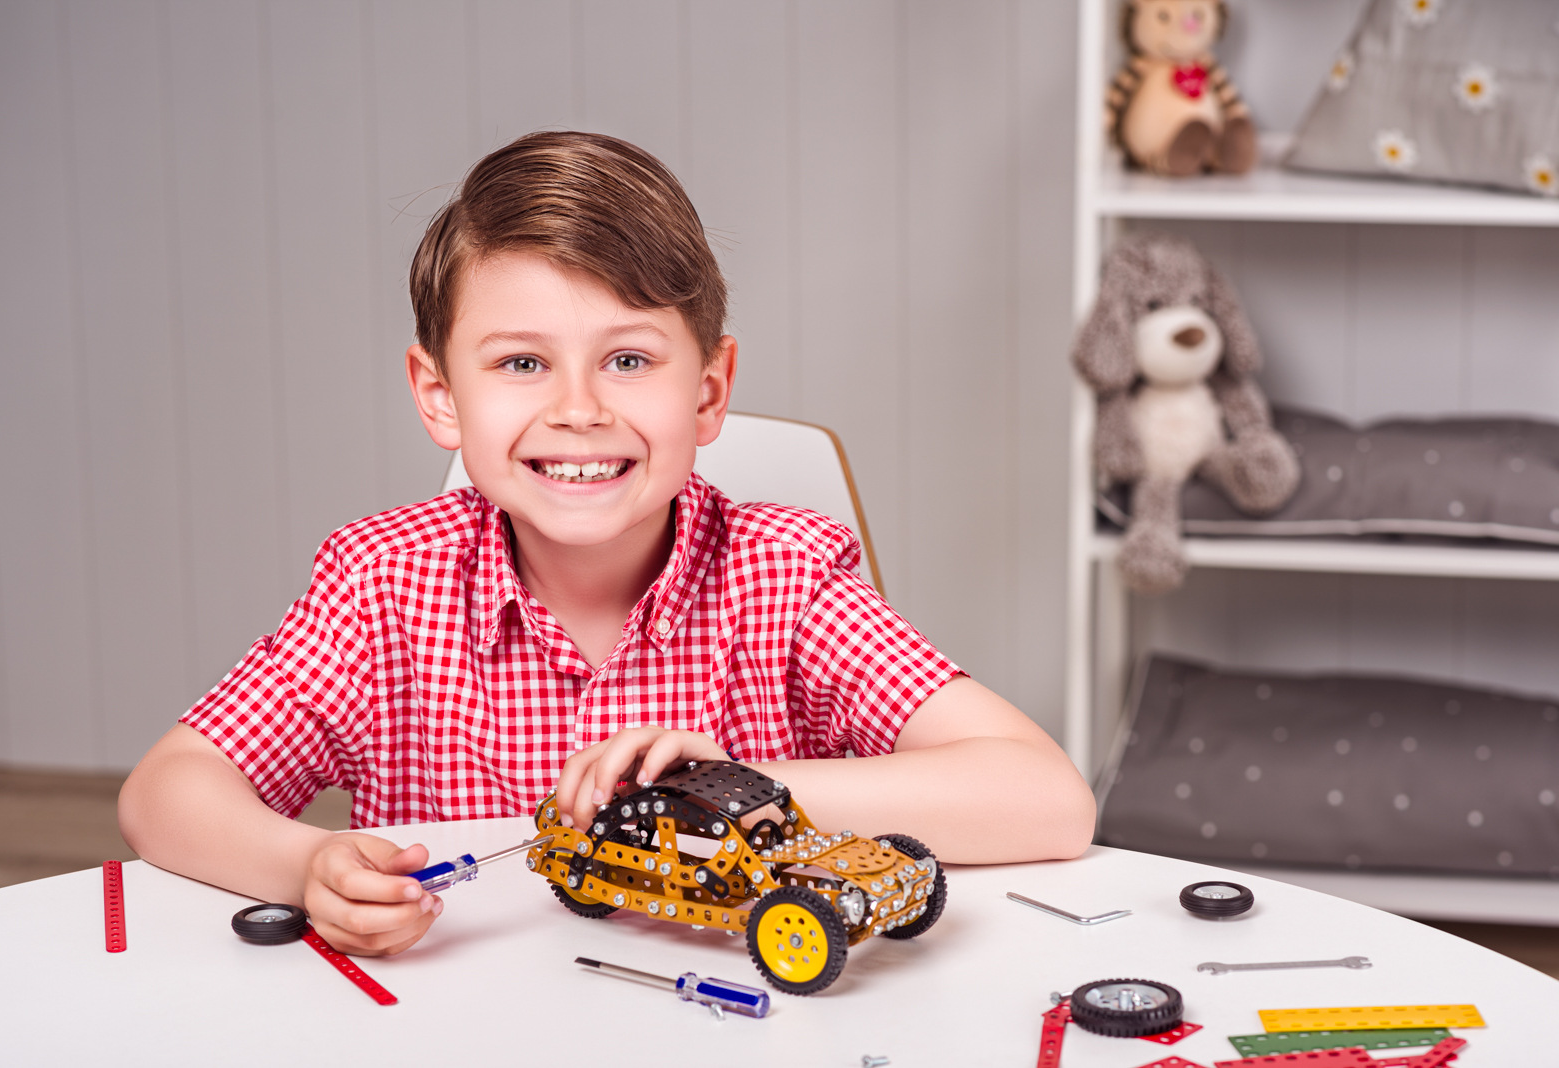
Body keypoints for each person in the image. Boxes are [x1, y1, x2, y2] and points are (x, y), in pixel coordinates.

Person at [119, 131, 1094, 957]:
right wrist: (306, 865)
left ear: (707, 391)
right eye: (521, 363)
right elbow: (167, 792)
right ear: (440, 396)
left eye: (627, 359)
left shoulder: (787, 577)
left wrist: (737, 790)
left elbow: (1048, 800)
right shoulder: (381, 584)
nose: (577, 408)